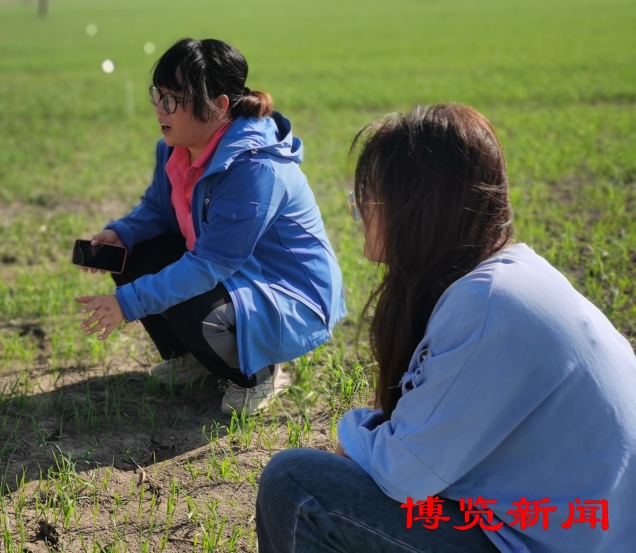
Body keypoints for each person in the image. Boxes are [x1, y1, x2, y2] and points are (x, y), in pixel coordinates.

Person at [255, 104, 636, 552]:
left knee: (297, 484)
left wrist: (353, 435)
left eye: (369, 199)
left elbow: (404, 472)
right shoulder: (505, 279)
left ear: (418, 207)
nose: (359, 214)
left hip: (551, 538)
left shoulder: (487, 303)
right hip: (562, 529)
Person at [75, 38, 345, 415]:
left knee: (191, 290)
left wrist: (127, 302)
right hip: (235, 276)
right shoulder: (174, 148)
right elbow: (159, 208)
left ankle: (259, 373)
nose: (159, 108)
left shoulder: (255, 167)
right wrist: (122, 233)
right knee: (133, 254)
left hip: (285, 295)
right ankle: (197, 357)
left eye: (172, 100)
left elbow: (209, 266)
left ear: (218, 106)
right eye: (157, 95)